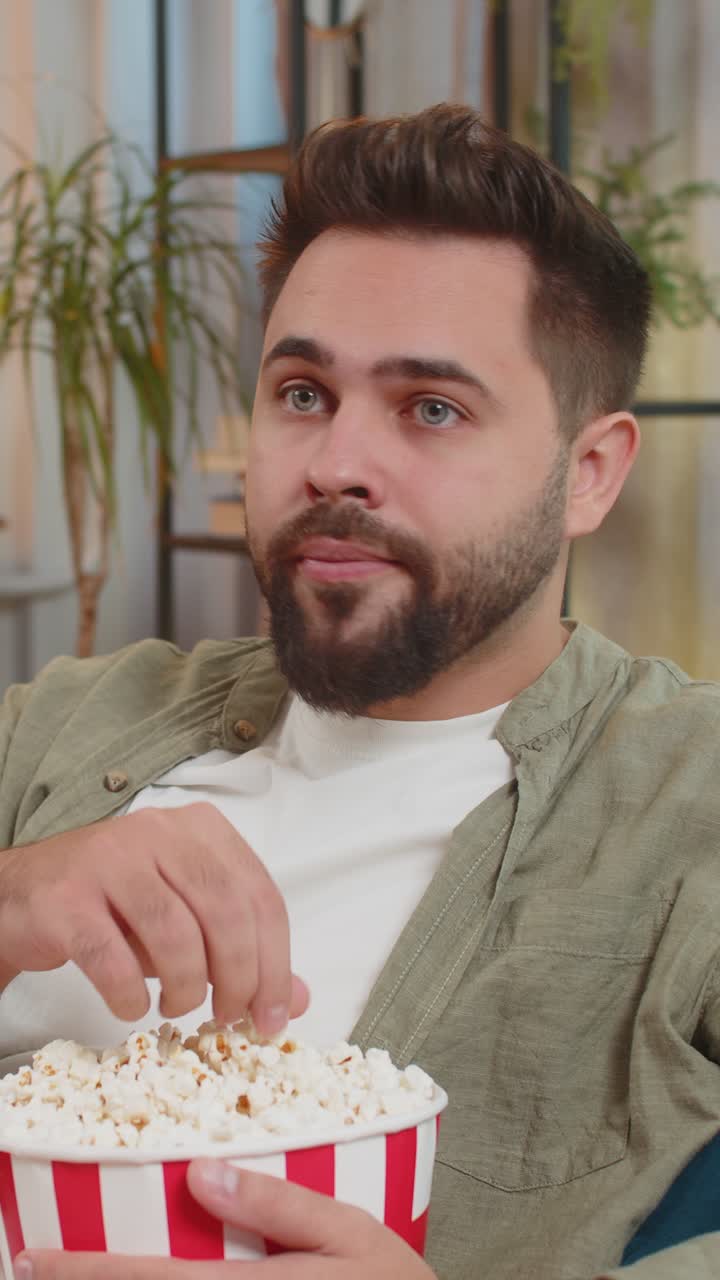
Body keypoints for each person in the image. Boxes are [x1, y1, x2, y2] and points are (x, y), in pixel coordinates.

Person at [1, 103, 719, 1280]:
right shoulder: (69, 718)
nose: (336, 460)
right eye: (301, 392)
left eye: (431, 408)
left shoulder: (690, 802)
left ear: (589, 472)